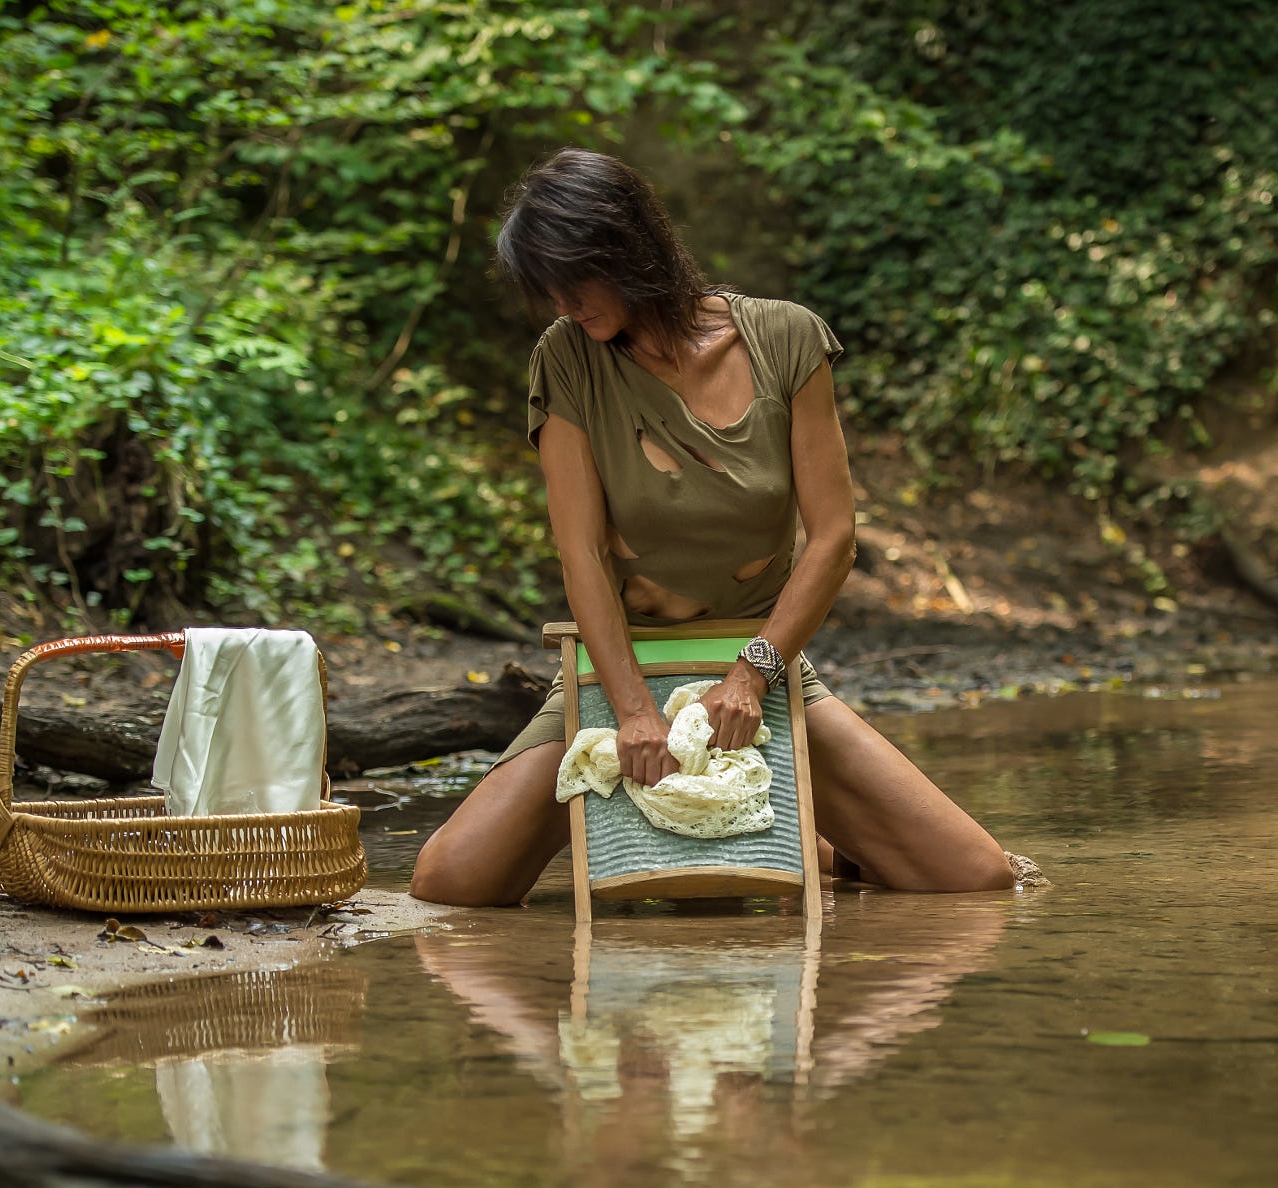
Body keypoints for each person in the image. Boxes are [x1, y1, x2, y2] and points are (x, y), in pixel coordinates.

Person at [409, 148, 1015, 906]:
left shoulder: (786, 340)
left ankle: (800, 833)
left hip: (754, 667)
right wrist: (630, 713)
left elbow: (834, 538)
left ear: (624, 244)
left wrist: (750, 674)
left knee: (976, 880)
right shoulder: (566, 359)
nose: (563, 303)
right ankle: (721, 821)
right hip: (617, 669)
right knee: (450, 883)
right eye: (546, 289)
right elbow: (582, 551)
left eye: (572, 278)